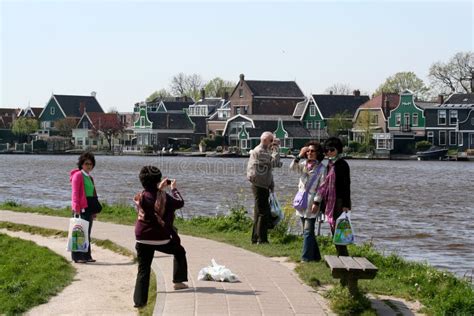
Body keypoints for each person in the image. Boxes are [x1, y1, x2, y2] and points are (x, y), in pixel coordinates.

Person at [133, 166, 188, 309]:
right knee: (179, 251)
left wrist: (159, 188)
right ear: (158, 181)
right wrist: (173, 188)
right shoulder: (164, 196)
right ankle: (178, 281)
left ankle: (139, 303)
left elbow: (152, 201)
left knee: (143, 269)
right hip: (161, 237)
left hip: (142, 237)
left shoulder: (141, 196)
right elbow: (180, 202)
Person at [289, 141, 326, 262]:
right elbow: (292, 168)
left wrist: (317, 202)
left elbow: (322, 187)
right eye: (308, 151)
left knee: (308, 230)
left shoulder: (322, 168)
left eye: (312, 151)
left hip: (312, 201)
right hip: (301, 200)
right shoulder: (303, 165)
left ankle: (306, 258)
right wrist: (299, 155)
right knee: (306, 230)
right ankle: (316, 257)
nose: (309, 153)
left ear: (318, 153)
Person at [316, 137, 351, 256]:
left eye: (332, 150)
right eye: (327, 150)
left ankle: (343, 255)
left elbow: (346, 185)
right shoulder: (329, 165)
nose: (329, 152)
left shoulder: (342, 165)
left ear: (338, 150)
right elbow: (324, 185)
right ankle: (340, 253)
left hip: (339, 201)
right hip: (330, 201)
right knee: (333, 228)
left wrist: (346, 204)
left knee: (339, 229)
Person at [246, 131, 282, 244]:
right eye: (271, 141)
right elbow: (274, 163)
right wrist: (276, 149)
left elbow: (274, 164)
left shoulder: (264, 150)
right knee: (263, 212)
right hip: (259, 184)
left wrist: (271, 184)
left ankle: (255, 238)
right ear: (265, 140)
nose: (273, 143)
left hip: (262, 184)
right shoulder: (260, 151)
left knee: (258, 212)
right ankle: (262, 239)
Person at [69, 152, 99, 263]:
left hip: (89, 207)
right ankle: (77, 257)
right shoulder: (78, 175)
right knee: (79, 232)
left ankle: (87, 256)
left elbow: (93, 194)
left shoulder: (90, 177)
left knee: (87, 232)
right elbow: (75, 193)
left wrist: (94, 210)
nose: (89, 166)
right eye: (86, 164)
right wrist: (76, 208)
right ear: (81, 164)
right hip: (80, 208)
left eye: (91, 164)